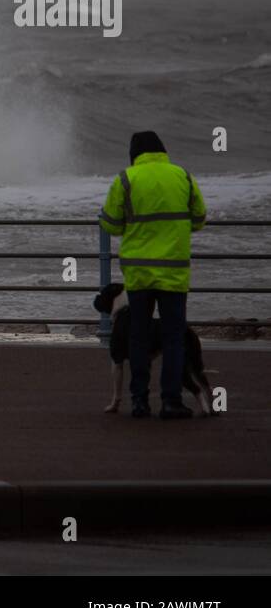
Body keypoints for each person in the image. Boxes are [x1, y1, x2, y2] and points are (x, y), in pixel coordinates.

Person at [98, 131, 207, 420]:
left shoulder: (126, 178)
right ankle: (171, 402)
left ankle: (139, 402)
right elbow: (199, 219)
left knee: (138, 337)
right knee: (173, 338)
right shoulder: (182, 176)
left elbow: (110, 224)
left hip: (139, 273)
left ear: (134, 154)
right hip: (173, 273)